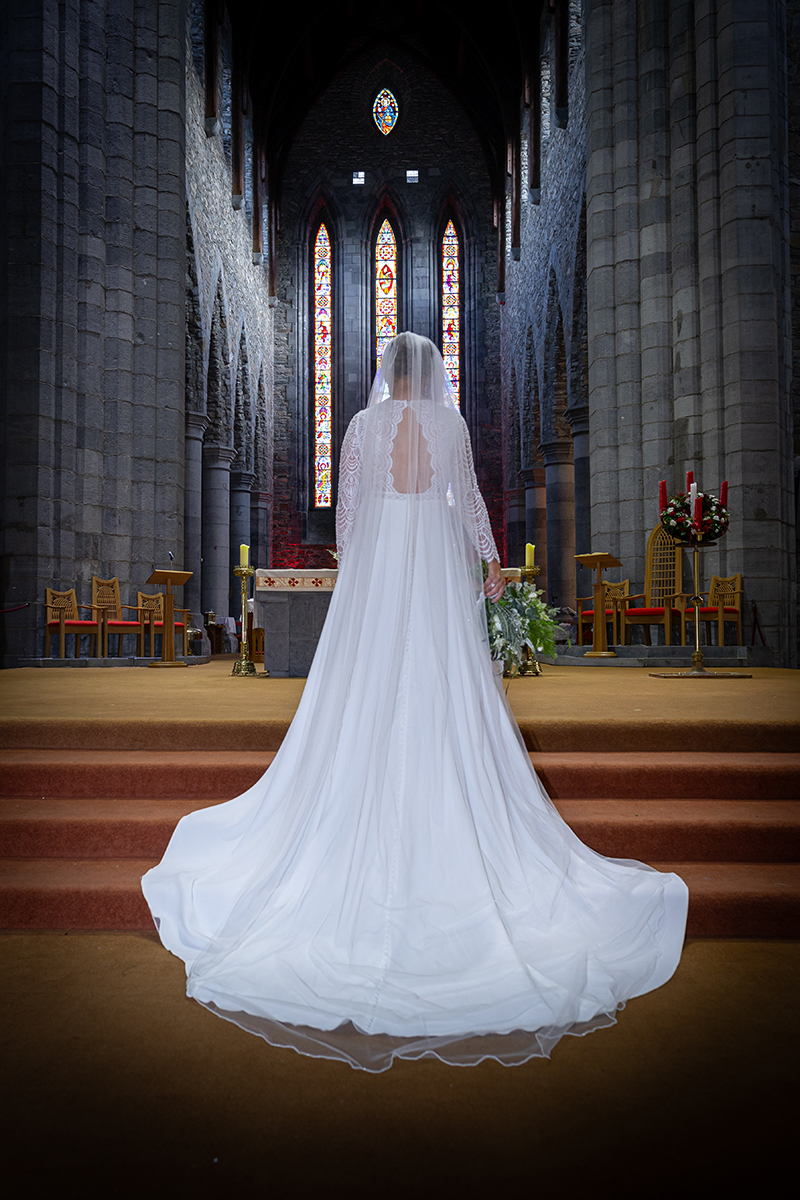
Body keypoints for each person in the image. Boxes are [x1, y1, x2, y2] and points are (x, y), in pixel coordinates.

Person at [142, 332, 688, 1072]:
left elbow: (349, 519)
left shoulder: (361, 428)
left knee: (370, 684)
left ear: (384, 378)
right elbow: (465, 502)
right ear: (430, 378)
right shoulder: (451, 425)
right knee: (442, 683)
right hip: (432, 568)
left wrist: (360, 567)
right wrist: (492, 565)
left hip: (382, 566)